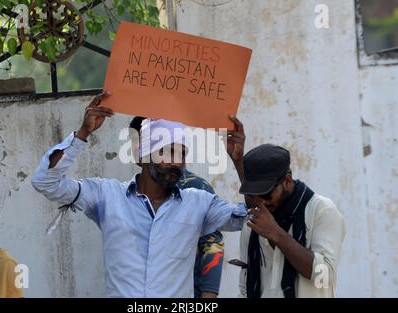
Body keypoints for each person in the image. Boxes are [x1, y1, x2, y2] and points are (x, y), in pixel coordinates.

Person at [31, 92, 248, 297]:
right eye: (167, 151)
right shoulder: (107, 196)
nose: (176, 161)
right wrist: (82, 134)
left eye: (182, 153)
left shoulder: (199, 202)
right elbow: (45, 182)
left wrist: (239, 162)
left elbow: (252, 217)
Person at [129, 116, 225, 298]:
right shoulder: (131, 192)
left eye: (141, 141)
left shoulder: (194, 188)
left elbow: (212, 245)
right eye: (133, 141)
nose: (136, 148)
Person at [236, 144, 346, 298]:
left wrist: (276, 234)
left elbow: (325, 277)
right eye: (254, 195)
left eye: (266, 194)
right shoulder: (255, 222)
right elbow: (245, 285)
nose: (261, 201)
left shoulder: (321, 210)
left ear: (287, 181)